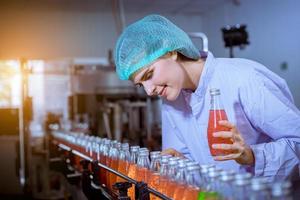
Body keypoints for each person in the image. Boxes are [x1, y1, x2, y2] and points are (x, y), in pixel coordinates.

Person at [114, 14, 300, 182]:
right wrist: (182, 164)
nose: (149, 91)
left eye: (149, 75)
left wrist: (252, 156)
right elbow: (196, 165)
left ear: (171, 52)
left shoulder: (244, 78)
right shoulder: (171, 100)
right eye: (140, 84)